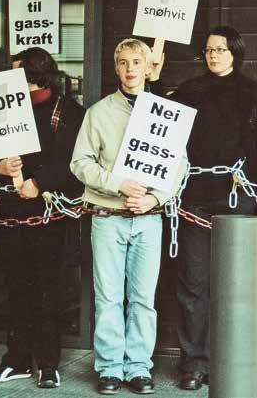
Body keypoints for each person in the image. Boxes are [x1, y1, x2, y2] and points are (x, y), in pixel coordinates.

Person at [70, 38, 186, 395]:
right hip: (108, 216)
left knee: (142, 298)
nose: (131, 68)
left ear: (150, 67)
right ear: (116, 68)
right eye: (124, 62)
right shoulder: (99, 112)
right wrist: (118, 185)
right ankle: (109, 368)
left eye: (138, 61)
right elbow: (80, 164)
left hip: (147, 219)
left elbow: (179, 166)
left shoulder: (164, 112)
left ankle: (138, 366)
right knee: (107, 296)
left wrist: (154, 198)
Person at [167, 26, 257, 390]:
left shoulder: (253, 93)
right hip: (194, 194)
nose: (214, 55)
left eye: (221, 50)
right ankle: (194, 363)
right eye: (209, 50)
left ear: (235, 54)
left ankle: (233, 358)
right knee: (193, 284)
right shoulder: (187, 92)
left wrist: (253, 182)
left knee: (235, 285)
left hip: (235, 195)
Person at [0, 47, 85, 389]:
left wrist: (39, 182)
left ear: (34, 76)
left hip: (50, 214)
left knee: (47, 289)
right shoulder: (3, 110)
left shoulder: (66, 111)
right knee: (16, 289)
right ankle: (18, 358)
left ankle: (48, 362)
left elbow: (73, 161)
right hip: (11, 212)